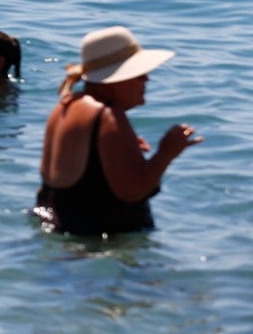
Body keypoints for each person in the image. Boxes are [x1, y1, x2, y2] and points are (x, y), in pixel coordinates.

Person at [36, 26, 201, 235]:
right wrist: (166, 152)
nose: (146, 80)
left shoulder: (65, 105)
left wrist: (123, 150)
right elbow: (133, 191)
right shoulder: (107, 115)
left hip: (54, 225)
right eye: (138, 74)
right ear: (112, 81)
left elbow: (79, 177)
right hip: (96, 239)